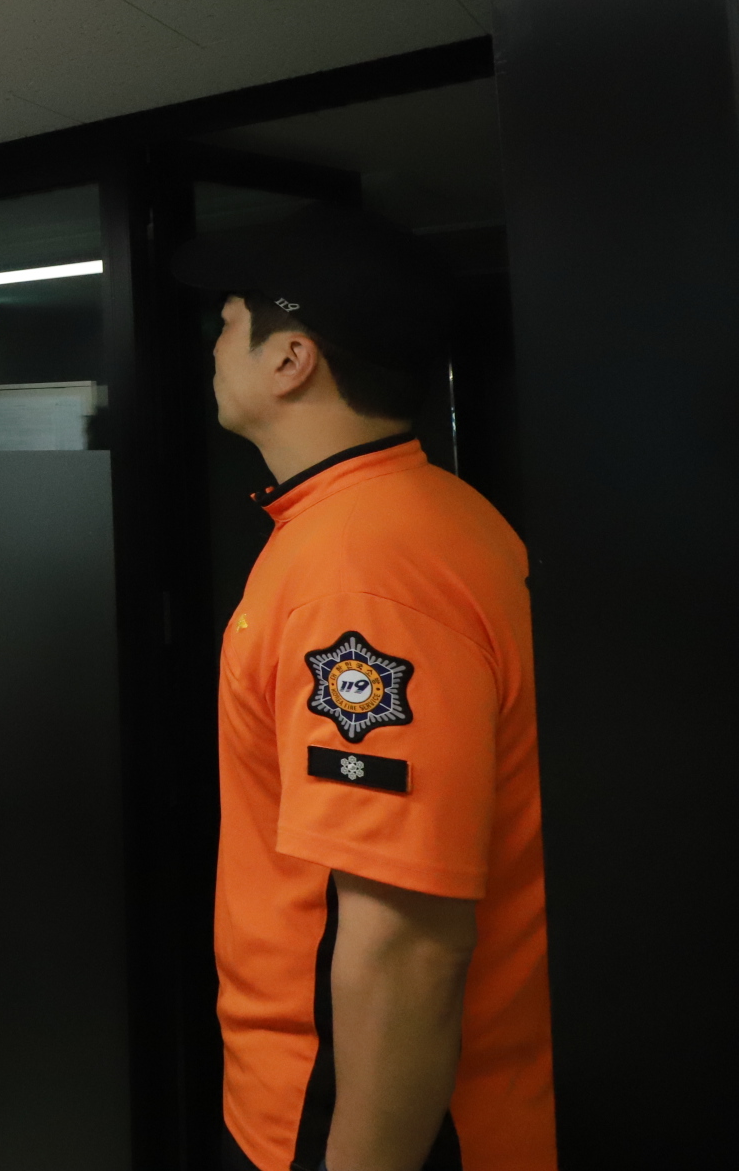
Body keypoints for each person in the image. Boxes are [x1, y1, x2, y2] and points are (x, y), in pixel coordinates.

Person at [173, 206, 553, 1171]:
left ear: (290, 358)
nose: (212, 343)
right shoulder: (415, 517)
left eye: (228, 320)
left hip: (348, 1115)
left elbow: (405, 944)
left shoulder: (361, 573)